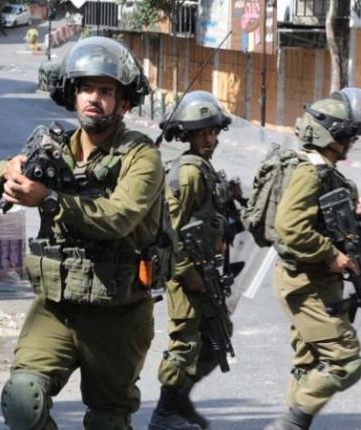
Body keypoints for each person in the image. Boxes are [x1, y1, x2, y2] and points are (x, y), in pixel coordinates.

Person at [0, 36, 169, 429]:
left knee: (107, 421)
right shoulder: (55, 148)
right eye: (86, 88)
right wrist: (7, 171)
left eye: (106, 91)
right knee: (22, 400)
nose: (94, 98)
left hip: (117, 310)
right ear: (72, 94)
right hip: (57, 307)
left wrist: (48, 199)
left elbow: (117, 218)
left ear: (123, 102)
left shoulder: (141, 157)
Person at [264, 88, 361, 430]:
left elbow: (323, 215)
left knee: (308, 361)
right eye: (348, 136)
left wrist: (356, 208)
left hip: (313, 281)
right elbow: (291, 227)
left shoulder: (321, 168)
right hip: (306, 283)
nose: (352, 142)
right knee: (346, 362)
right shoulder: (309, 171)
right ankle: (290, 424)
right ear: (330, 135)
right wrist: (331, 254)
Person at [148, 91, 239, 430]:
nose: (210, 140)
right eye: (202, 134)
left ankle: (179, 399)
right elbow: (168, 229)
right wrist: (188, 273)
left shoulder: (203, 168)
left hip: (204, 267)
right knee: (186, 341)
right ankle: (164, 413)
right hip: (186, 271)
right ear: (187, 135)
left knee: (217, 336)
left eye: (213, 132)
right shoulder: (187, 173)